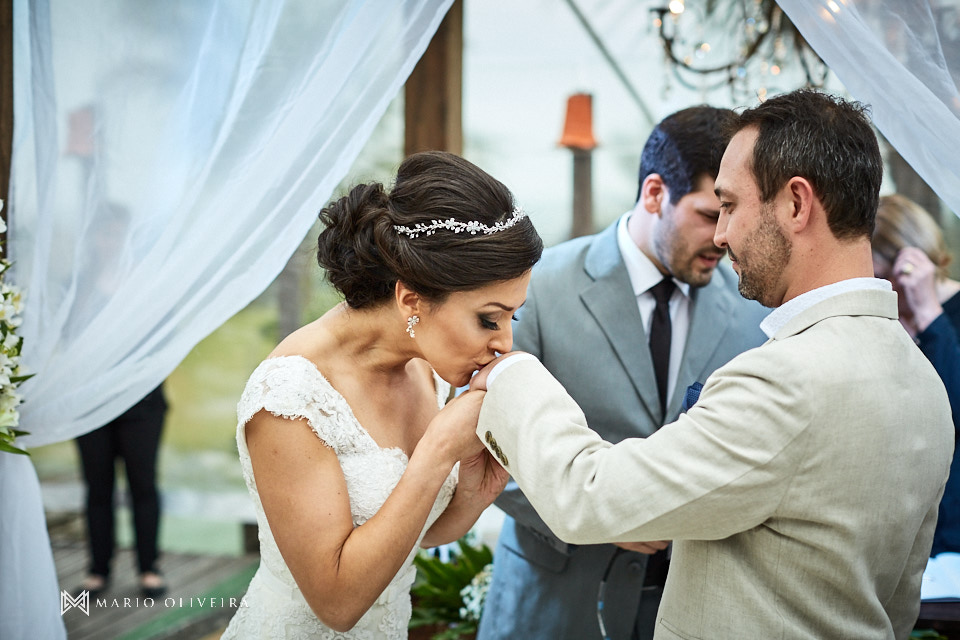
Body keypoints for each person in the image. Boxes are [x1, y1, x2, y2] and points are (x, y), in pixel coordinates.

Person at [446, 89, 954, 639]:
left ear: (796, 204)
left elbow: (589, 494)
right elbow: (895, 604)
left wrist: (511, 371)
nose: (721, 234)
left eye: (730, 205)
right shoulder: (925, 381)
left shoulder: (785, 379)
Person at [220, 150, 543, 639]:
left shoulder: (425, 365)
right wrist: (439, 450)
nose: (504, 343)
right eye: (488, 318)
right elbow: (337, 603)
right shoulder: (290, 397)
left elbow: (417, 535)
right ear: (411, 299)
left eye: (511, 317)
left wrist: (476, 494)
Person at [478, 106, 767, 640]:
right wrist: (600, 513)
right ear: (655, 193)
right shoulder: (537, 288)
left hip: (689, 609)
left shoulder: (754, 311)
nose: (724, 236)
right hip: (553, 605)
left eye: (733, 214)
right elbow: (486, 437)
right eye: (710, 214)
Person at [872, 193, 960, 556]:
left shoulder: (941, 320)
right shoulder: (889, 323)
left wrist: (928, 315)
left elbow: (951, 410)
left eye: (883, 279)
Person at [75, 385, 168, 598]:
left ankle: (149, 568)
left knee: (143, 486)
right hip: (91, 404)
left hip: (142, 400)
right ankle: (98, 570)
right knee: (97, 489)